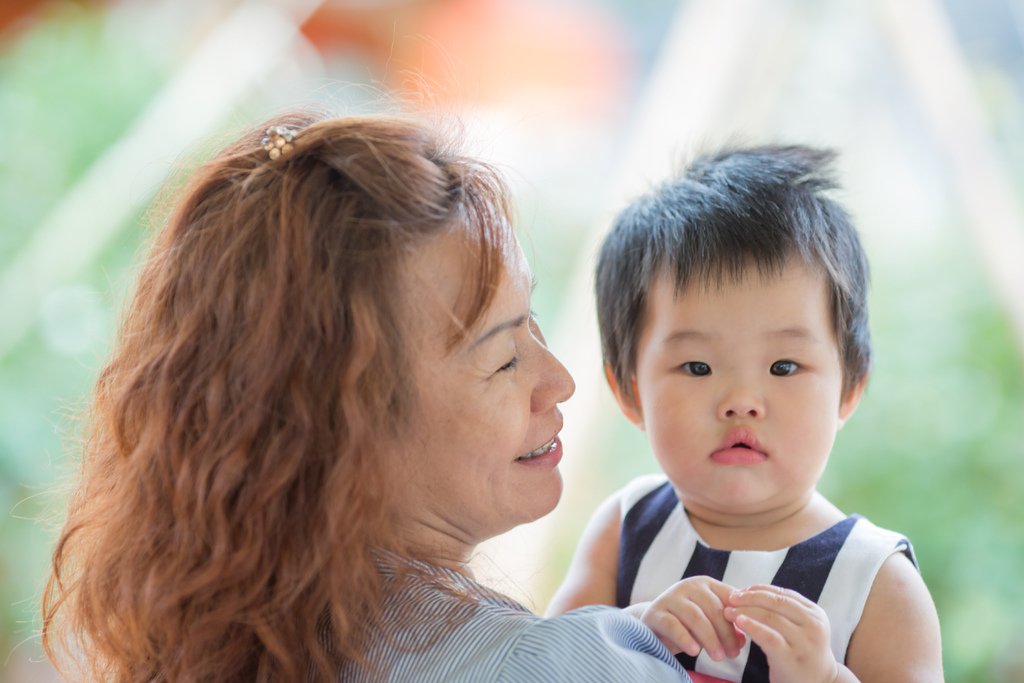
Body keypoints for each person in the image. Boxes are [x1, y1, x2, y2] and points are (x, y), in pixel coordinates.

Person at [41, 112, 695, 682]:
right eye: (503, 359)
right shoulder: (546, 666)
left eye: (533, 322)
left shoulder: (202, 653)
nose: (559, 379)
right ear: (347, 430)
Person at [547, 146, 944, 682]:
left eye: (783, 366)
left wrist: (825, 677)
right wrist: (636, 629)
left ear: (849, 388)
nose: (741, 400)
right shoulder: (628, 529)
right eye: (696, 366)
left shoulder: (875, 582)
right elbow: (545, 664)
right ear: (629, 390)